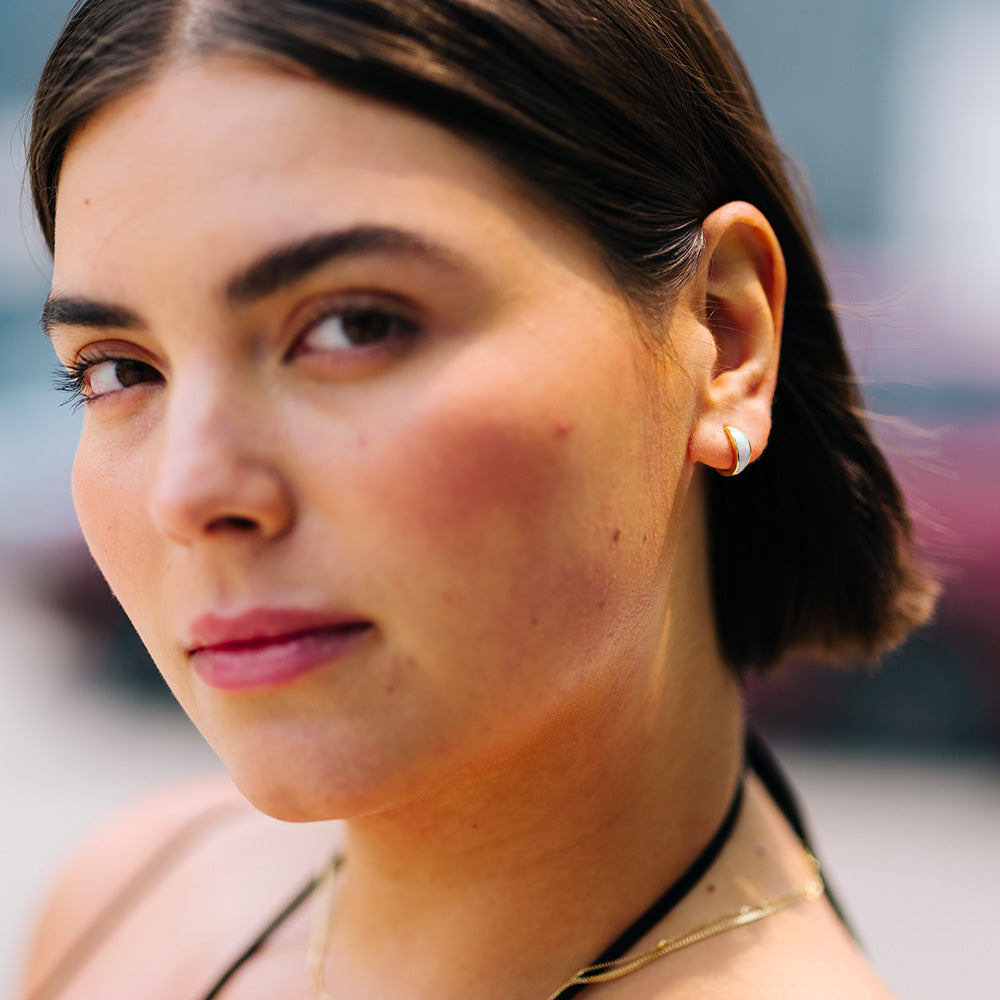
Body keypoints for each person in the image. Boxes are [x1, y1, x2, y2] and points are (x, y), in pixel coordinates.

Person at [21, 1, 936, 998]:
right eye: (116, 370)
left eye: (355, 326)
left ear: (722, 336)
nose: (191, 492)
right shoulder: (134, 902)